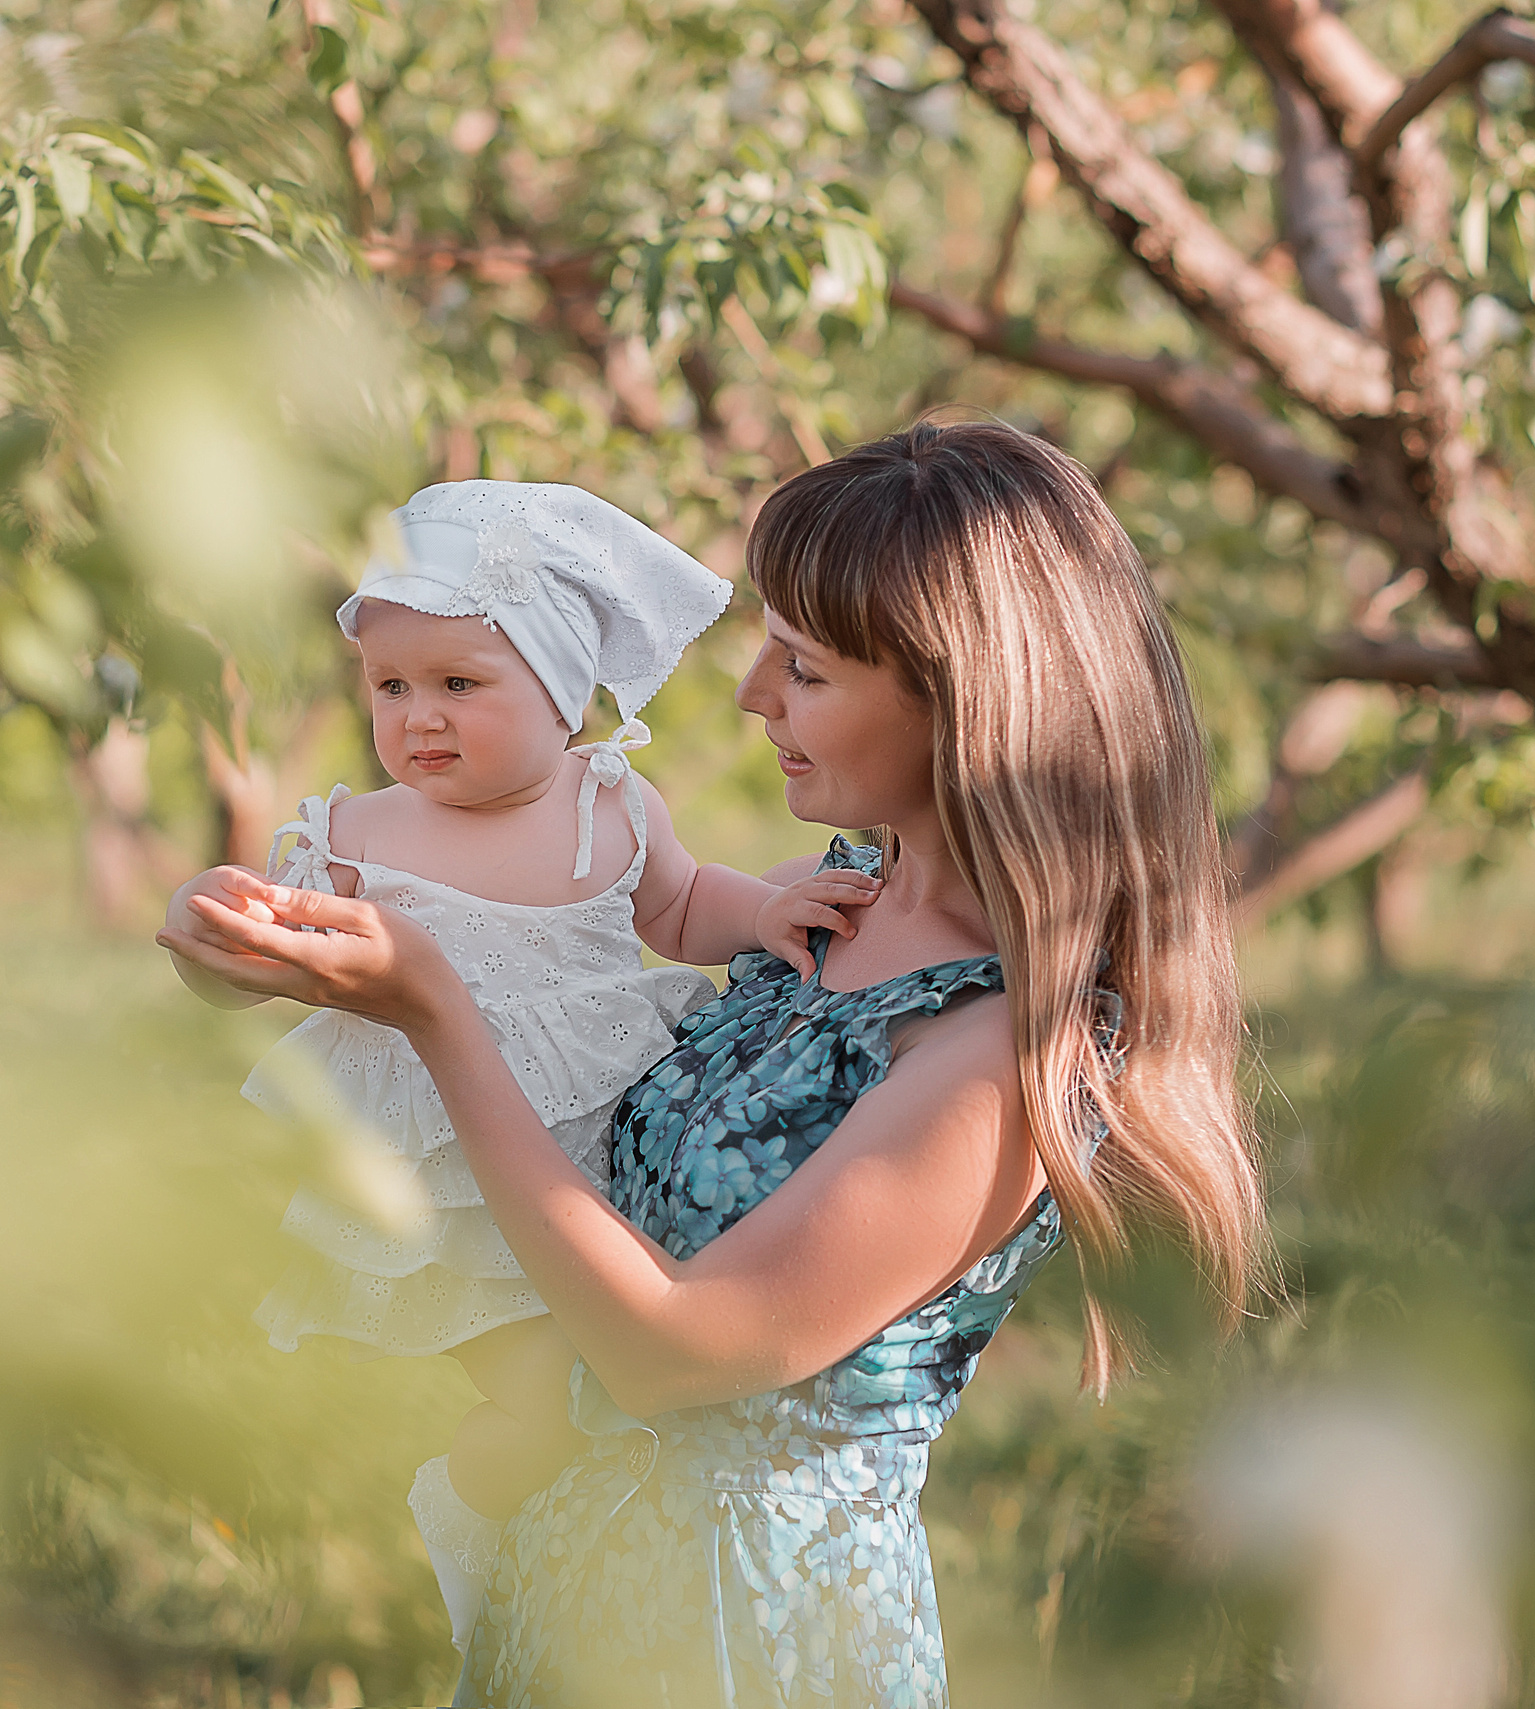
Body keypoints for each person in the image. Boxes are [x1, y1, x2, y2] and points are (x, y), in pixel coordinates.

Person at [160, 421, 1269, 1707]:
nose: (750, 696)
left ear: (956, 696)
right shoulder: (843, 900)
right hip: (571, 1593)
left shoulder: (998, 1055)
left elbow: (678, 1350)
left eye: (801, 667)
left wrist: (437, 1013)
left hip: (748, 1637)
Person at [160, 479, 882, 1652]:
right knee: (552, 1393)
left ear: (562, 690)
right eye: (391, 686)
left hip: (594, 1154)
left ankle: (559, 1546)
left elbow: (689, 902)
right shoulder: (359, 834)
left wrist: (768, 911)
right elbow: (267, 951)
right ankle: (470, 1512)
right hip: (446, 1175)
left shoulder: (611, 802)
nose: (419, 719)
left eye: (459, 683)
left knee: (606, 1386)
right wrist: (214, 929)